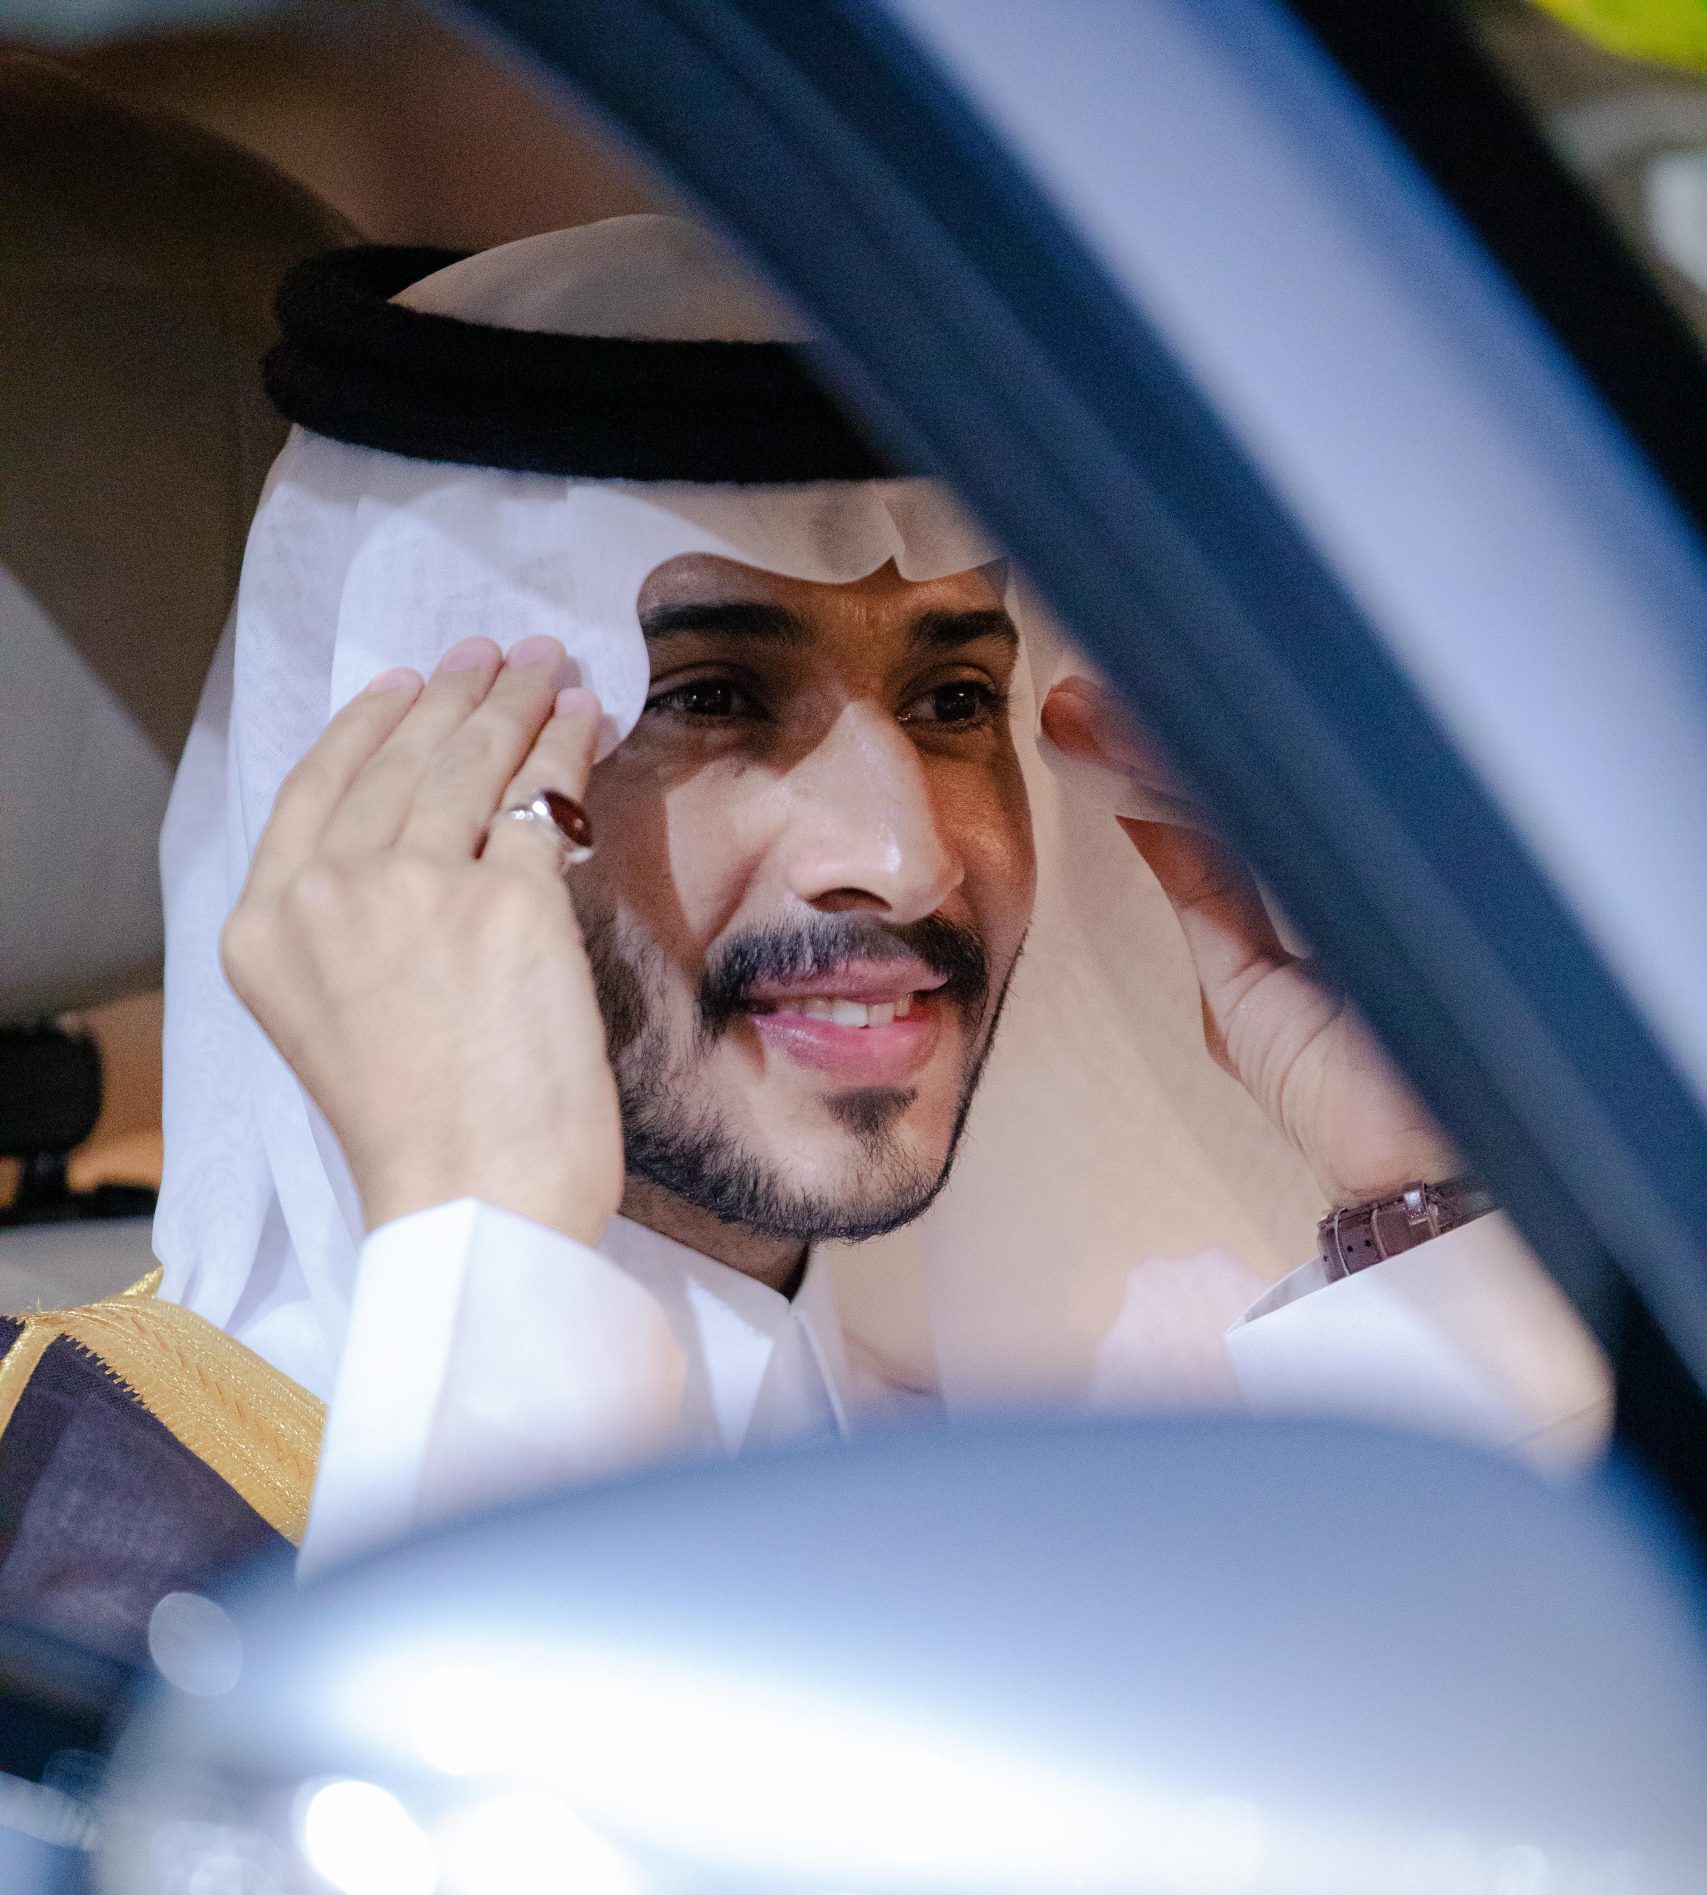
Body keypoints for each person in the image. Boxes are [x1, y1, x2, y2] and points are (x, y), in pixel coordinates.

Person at [0, 217, 1608, 1656]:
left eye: (954, 698)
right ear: (408, 797)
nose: (904, 858)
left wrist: (1422, 1200)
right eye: (707, 696)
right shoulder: (77, 1513)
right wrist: (491, 1232)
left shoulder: (944, 1450)